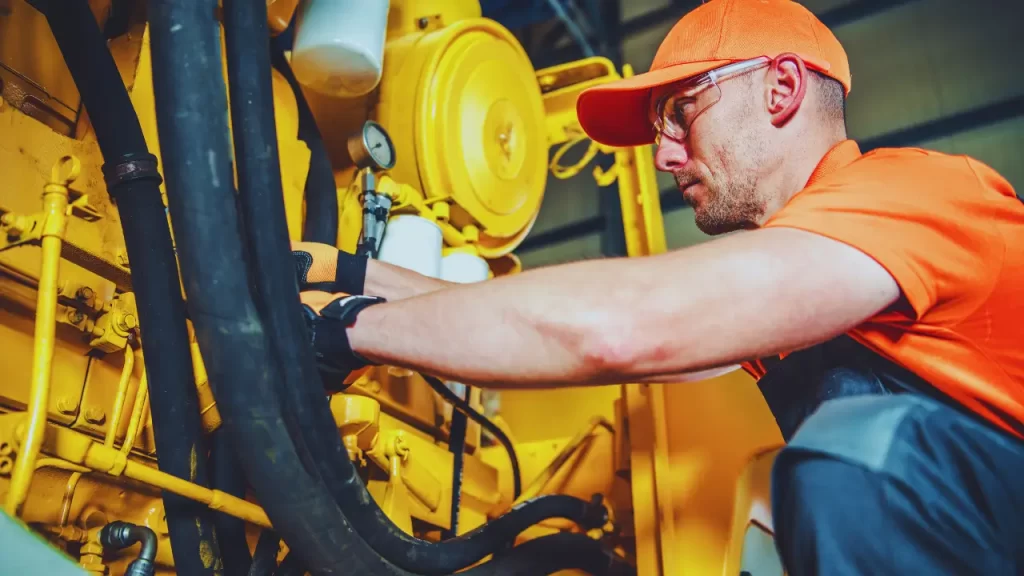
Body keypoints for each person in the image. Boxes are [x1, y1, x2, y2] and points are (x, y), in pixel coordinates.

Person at [292, 0, 1024, 573]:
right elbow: (574, 319)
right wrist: (348, 274)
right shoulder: (799, 290)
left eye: (680, 111)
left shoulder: (915, 192)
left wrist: (343, 330)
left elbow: (623, 324)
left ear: (781, 87)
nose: (664, 153)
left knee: (853, 449)